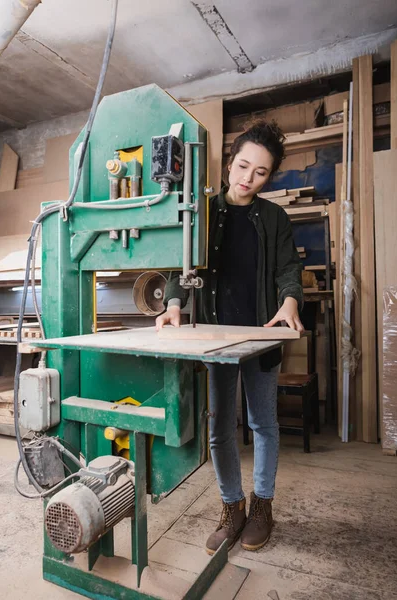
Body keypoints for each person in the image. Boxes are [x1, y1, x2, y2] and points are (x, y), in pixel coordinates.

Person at [156, 121, 304, 555]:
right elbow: (180, 265)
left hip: (261, 336)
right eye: (242, 166)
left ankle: (261, 508)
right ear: (229, 162)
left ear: (269, 177)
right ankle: (231, 508)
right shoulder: (202, 212)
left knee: (263, 423)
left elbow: (287, 270)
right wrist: (174, 303)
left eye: (260, 173)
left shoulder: (274, 217)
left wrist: (290, 302)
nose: (247, 178)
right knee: (219, 426)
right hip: (215, 339)